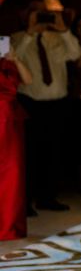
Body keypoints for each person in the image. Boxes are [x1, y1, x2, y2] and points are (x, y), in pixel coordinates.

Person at [14, 7, 81, 212]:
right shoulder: (16, 37)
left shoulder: (59, 38)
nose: (43, 18)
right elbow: (12, 57)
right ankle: (24, 201)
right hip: (30, 103)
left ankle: (48, 198)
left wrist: (64, 30)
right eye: (37, 14)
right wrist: (30, 32)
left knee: (53, 153)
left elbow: (76, 53)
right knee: (29, 154)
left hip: (57, 103)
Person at [0, 45, 32, 240]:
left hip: (10, 123)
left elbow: (29, 80)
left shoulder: (10, 62)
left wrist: (16, 59)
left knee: (13, 173)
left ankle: (9, 227)